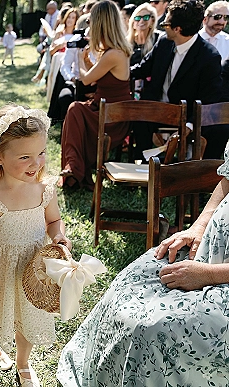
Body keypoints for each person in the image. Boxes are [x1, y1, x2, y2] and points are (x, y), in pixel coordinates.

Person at [58, 139, 229, 386]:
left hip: (220, 276)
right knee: (126, 287)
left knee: (154, 330)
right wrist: (199, 227)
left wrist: (208, 274)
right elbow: (227, 180)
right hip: (209, 250)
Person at [0, 104, 71, 387]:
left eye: (41, 153)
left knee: (30, 315)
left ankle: (24, 362)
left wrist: (58, 236)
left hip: (33, 270)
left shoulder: (44, 189)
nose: (36, 163)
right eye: (25, 156)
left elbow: (53, 221)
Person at [130, 0, 224, 160]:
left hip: (186, 115)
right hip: (154, 110)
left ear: (177, 29)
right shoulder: (163, 43)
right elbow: (141, 69)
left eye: (166, 23)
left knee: (218, 131)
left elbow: (210, 98)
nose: (162, 25)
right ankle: (140, 171)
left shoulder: (209, 56)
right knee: (138, 119)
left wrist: (190, 125)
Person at [60, 1, 132, 191]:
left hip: (113, 116)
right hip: (103, 108)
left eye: (92, 23)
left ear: (101, 24)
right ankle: (73, 168)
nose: (89, 27)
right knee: (75, 110)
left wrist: (79, 59)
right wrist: (86, 61)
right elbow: (96, 79)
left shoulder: (114, 54)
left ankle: (74, 169)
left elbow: (85, 80)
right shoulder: (112, 51)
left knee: (75, 110)